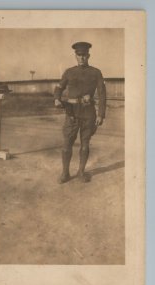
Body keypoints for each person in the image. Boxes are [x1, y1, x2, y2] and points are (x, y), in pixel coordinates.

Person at [54, 41, 106, 183]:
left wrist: (101, 114)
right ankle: (65, 173)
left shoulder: (96, 72)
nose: (82, 57)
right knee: (67, 144)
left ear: (88, 56)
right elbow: (59, 87)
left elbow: (102, 94)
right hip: (72, 113)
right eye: (79, 55)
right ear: (75, 56)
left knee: (85, 144)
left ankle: (81, 172)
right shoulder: (69, 72)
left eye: (84, 55)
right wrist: (57, 99)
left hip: (88, 113)